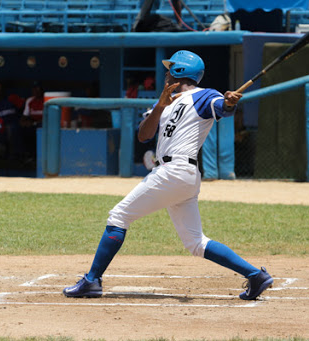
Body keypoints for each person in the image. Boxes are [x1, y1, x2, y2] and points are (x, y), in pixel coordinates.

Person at [63, 50, 273, 300]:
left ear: (181, 71)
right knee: (196, 243)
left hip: (175, 171)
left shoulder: (205, 96)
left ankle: (91, 280)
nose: (166, 73)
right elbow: (144, 135)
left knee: (119, 216)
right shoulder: (166, 101)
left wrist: (229, 102)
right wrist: (161, 105)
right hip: (179, 175)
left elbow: (223, 108)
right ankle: (255, 275)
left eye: (171, 68)